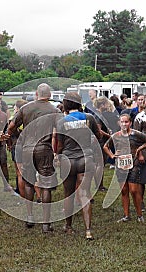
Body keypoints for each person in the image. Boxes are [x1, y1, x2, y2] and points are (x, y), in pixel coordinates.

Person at [7, 83, 61, 233]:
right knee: (45, 185)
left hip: (27, 149)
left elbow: (11, 126)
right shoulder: (54, 110)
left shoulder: (25, 108)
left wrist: (18, 135)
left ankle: (30, 216)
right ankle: (45, 223)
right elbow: (61, 130)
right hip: (44, 149)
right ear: (49, 95)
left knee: (28, 183)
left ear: (37, 93)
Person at [56, 92, 100, 239]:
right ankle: (88, 230)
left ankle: (68, 226)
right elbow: (98, 136)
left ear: (66, 104)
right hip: (86, 158)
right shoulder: (89, 118)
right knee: (84, 194)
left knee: (68, 194)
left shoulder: (62, 122)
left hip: (68, 160)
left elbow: (59, 144)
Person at [103, 114, 146, 223]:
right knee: (124, 190)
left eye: (126, 122)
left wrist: (140, 149)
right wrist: (112, 156)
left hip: (134, 164)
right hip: (120, 166)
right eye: (122, 122)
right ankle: (126, 215)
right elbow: (105, 146)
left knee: (134, 190)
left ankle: (139, 214)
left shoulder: (136, 134)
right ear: (119, 123)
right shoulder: (116, 135)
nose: (124, 124)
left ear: (130, 123)